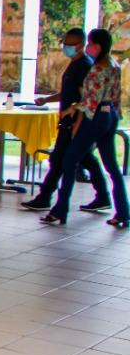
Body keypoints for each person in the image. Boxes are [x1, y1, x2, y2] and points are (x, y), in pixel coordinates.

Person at [42, 29, 129, 228]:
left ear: (97, 47)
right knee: (112, 167)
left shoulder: (97, 69)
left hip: (95, 117)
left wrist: (72, 111)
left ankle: (60, 209)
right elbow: (114, 96)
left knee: (69, 160)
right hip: (110, 116)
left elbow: (90, 101)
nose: (87, 47)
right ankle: (123, 211)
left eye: (89, 43)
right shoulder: (114, 65)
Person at [21, 28, 111, 213]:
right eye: (65, 43)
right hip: (68, 119)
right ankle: (102, 196)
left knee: (60, 159)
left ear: (80, 45)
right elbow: (67, 92)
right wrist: (46, 99)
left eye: (70, 45)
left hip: (73, 121)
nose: (66, 47)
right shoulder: (74, 64)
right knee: (85, 158)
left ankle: (46, 198)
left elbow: (83, 97)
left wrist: (76, 120)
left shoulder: (84, 66)